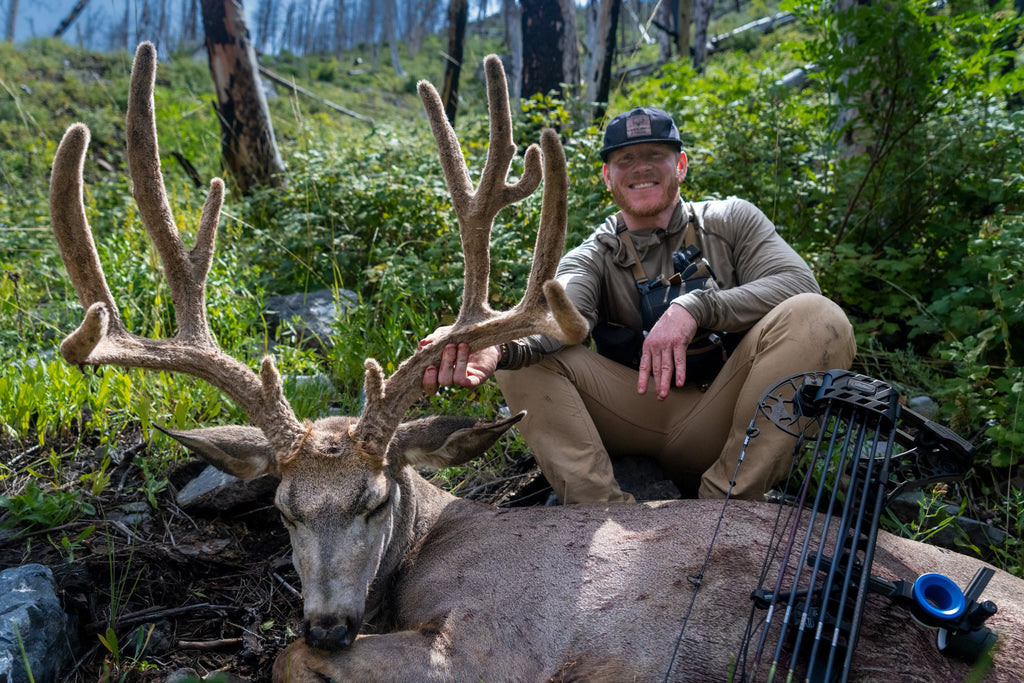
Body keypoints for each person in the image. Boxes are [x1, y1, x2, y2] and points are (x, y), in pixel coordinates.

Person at [422, 107, 856, 504]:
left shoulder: (732, 221)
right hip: (636, 414)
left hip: (727, 415)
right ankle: (602, 516)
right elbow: (558, 314)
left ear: (681, 165)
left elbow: (800, 284)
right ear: (607, 177)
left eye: (656, 155)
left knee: (819, 319)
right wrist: (493, 344)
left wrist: (696, 308)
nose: (641, 168)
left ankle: (728, 505)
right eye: (625, 160)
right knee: (524, 360)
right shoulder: (593, 255)